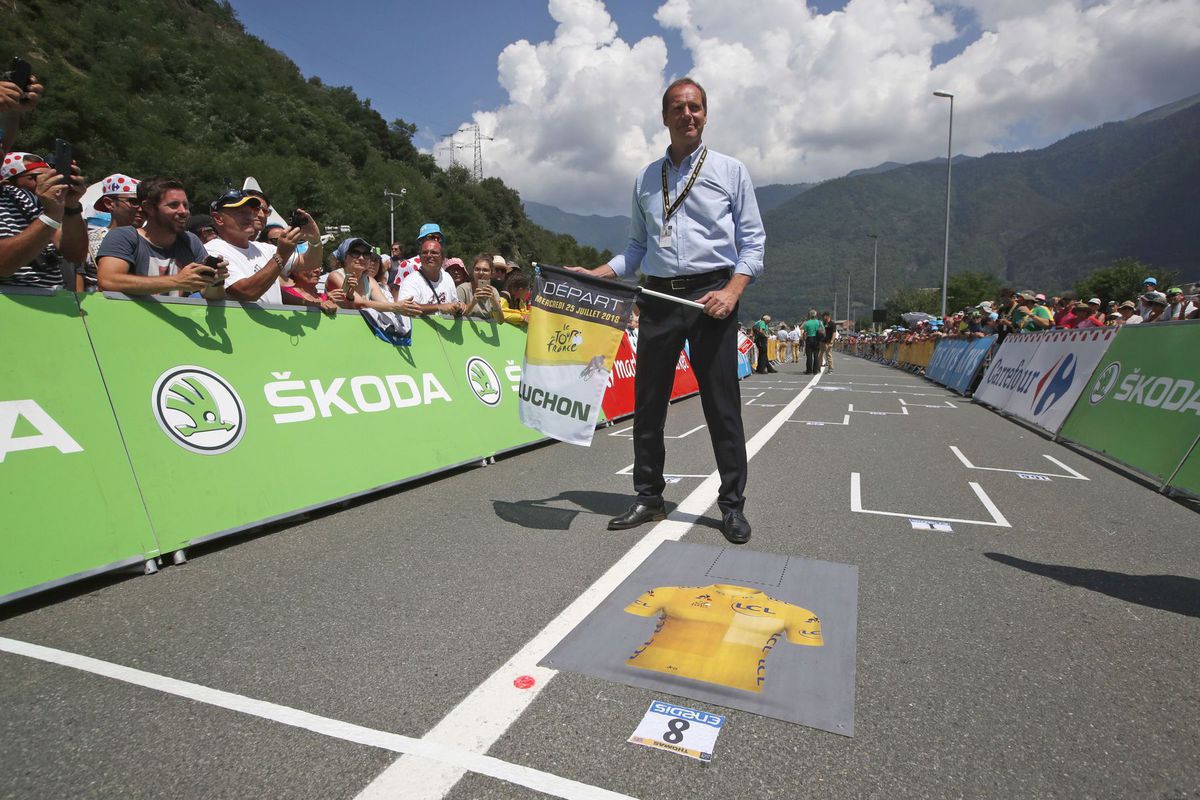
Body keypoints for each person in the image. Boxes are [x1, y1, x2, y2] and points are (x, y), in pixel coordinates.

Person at [574, 77, 765, 544]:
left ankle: (732, 506)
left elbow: (754, 244)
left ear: (705, 114)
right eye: (679, 108)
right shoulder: (644, 178)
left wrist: (733, 291)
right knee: (649, 403)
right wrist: (599, 272)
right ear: (665, 117)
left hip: (710, 299)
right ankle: (648, 496)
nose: (688, 115)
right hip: (656, 297)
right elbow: (636, 249)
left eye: (695, 107)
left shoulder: (731, 171)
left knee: (723, 408)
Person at [96, 177, 226, 298]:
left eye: (185, 205)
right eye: (173, 205)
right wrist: (177, 281)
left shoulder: (191, 241)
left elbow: (212, 296)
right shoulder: (123, 236)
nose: (183, 211)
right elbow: (108, 281)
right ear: (149, 207)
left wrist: (215, 282)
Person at [205, 188, 323, 306]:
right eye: (241, 212)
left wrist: (315, 240)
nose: (250, 216)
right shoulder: (212, 250)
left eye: (250, 211)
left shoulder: (264, 248)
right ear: (218, 218)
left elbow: (311, 263)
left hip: (271, 324)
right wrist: (281, 256)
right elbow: (247, 293)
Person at [0, 151, 88, 289]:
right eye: (35, 177)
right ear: (7, 183)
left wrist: (72, 206)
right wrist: (50, 216)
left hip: (52, 299)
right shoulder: (47, 212)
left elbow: (75, 255)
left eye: (51, 176)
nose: (48, 181)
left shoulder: (40, 206)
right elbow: (3, 266)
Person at [85, 173, 142, 289]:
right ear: (109, 203)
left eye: (145, 203)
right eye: (134, 202)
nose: (141, 209)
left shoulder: (156, 241)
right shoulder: (88, 241)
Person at [396, 229, 465, 316]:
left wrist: (459, 306)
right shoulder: (411, 281)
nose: (429, 256)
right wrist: (439, 307)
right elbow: (407, 308)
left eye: (434, 253)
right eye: (424, 253)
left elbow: (454, 303)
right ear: (420, 257)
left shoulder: (447, 277)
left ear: (442, 258)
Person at [457, 253, 505, 322]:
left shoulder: (493, 291)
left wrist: (494, 301)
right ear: (473, 271)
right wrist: (473, 302)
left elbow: (500, 321)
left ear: (491, 273)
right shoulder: (463, 289)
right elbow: (458, 316)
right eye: (477, 269)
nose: (481, 273)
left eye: (485, 270)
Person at [801, 309, 823, 374]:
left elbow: (805, 333)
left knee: (809, 356)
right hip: (817, 339)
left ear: (810, 315)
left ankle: (809, 370)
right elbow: (823, 331)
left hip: (809, 339)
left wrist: (804, 340)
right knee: (816, 356)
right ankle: (815, 370)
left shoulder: (807, 323)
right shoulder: (819, 322)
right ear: (816, 315)